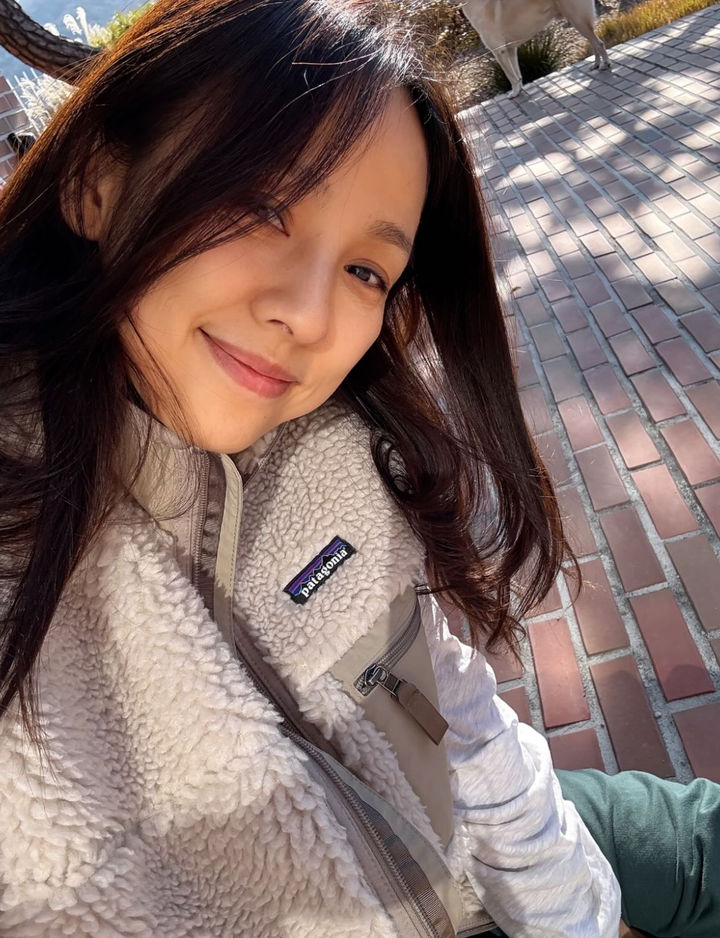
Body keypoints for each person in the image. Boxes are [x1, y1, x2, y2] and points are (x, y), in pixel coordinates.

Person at [0, 1, 717, 936]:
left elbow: (462, 725)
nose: (309, 314)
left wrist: (578, 918)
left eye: (367, 271)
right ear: (95, 182)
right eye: (258, 208)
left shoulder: (335, 455)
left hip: (476, 843)